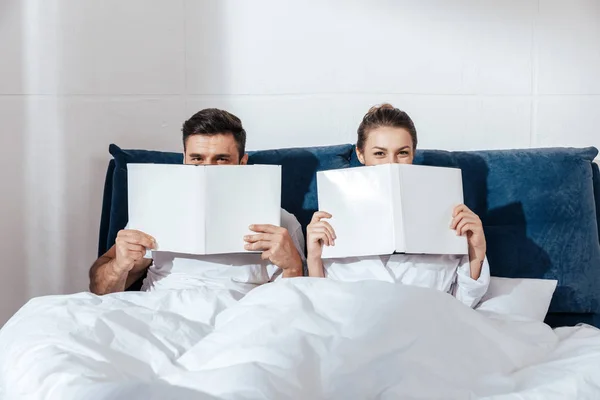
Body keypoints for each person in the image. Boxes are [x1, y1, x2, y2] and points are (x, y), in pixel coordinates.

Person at [89, 108, 305, 295]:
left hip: (239, 315)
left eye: (221, 159)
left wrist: (293, 267)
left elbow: (296, 305)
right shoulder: (154, 211)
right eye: (197, 159)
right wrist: (118, 266)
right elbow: (99, 289)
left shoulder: (279, 221)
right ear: (183, 159)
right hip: (158, 311)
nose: (207, 169)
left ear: (242, 162)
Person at [306, 104, 490, 308]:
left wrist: (476, 252)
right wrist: (313, 257)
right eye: (379, 154)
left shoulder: (446, 214)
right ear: (360, 154)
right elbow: (321, 305)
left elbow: (462, 304)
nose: (391, 164)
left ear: (412, 154)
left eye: (402, 153)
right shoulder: (333, 218)